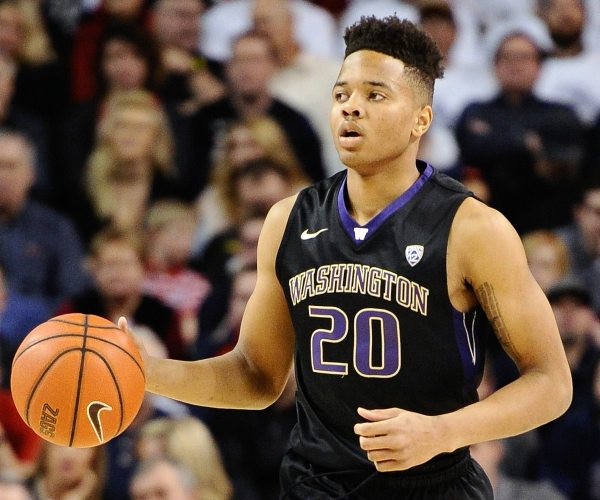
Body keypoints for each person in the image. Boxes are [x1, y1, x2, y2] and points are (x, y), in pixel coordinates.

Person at [121, 16, 572, 499]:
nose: (351, 107)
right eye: (342, 94)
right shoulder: (288, 220)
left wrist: (443, 432)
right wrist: (146, 371)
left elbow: (551, 383)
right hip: (315, 486)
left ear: (421, 119)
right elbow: (256, 377)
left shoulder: (472, 228)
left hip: (431, 487)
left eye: (375, 95)